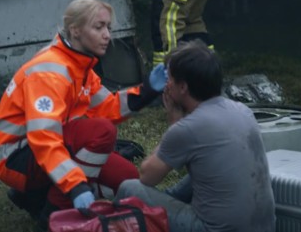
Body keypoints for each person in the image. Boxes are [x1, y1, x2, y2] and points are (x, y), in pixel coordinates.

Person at [0, 0, 167, 229]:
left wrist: (146, 92)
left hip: (40, 151)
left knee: (127, 178)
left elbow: (108, 108)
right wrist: (75, 186)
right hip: (15, 158)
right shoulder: (51, 72)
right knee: (101, 132)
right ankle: (53, 214)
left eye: (109, 28)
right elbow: (44, 138)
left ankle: (34, 196)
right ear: (75, 30)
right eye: (99, 27)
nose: (107, 35)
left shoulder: (80, 66)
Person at [115, 40, 276, 232]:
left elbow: (146, 176)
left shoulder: (188, 128)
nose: (167, 84)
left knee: (129, 188)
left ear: (182, 87)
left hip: (211, 228)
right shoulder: (242, 110)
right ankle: (165, 204)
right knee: (209, 170)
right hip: (265, 227)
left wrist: (175, 122)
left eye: (170, 78)